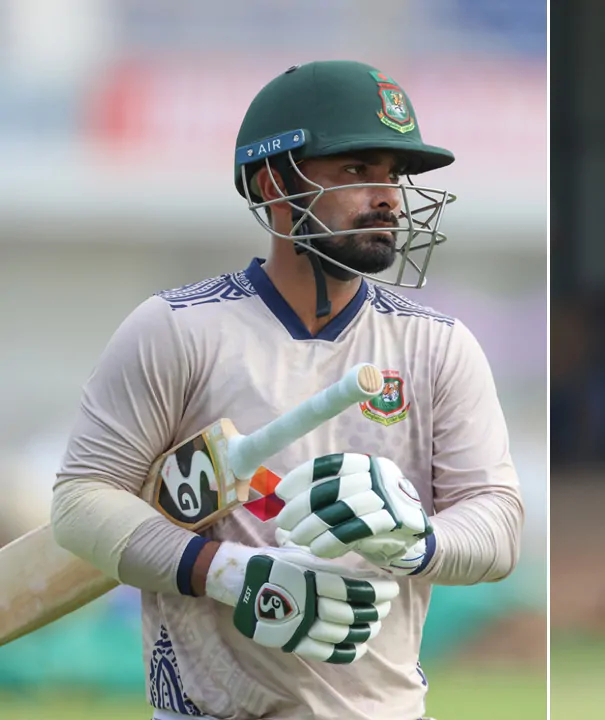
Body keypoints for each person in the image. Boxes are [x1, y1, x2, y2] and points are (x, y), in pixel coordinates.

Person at [49, 60, 524, 720]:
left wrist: (414, 540)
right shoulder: (177, 329)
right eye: (356, 171)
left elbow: (498, 525)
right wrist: (226, 571)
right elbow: (79, 500)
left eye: (393, 173)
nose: (388, 195)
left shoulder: (438, 345)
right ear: (275, 182)